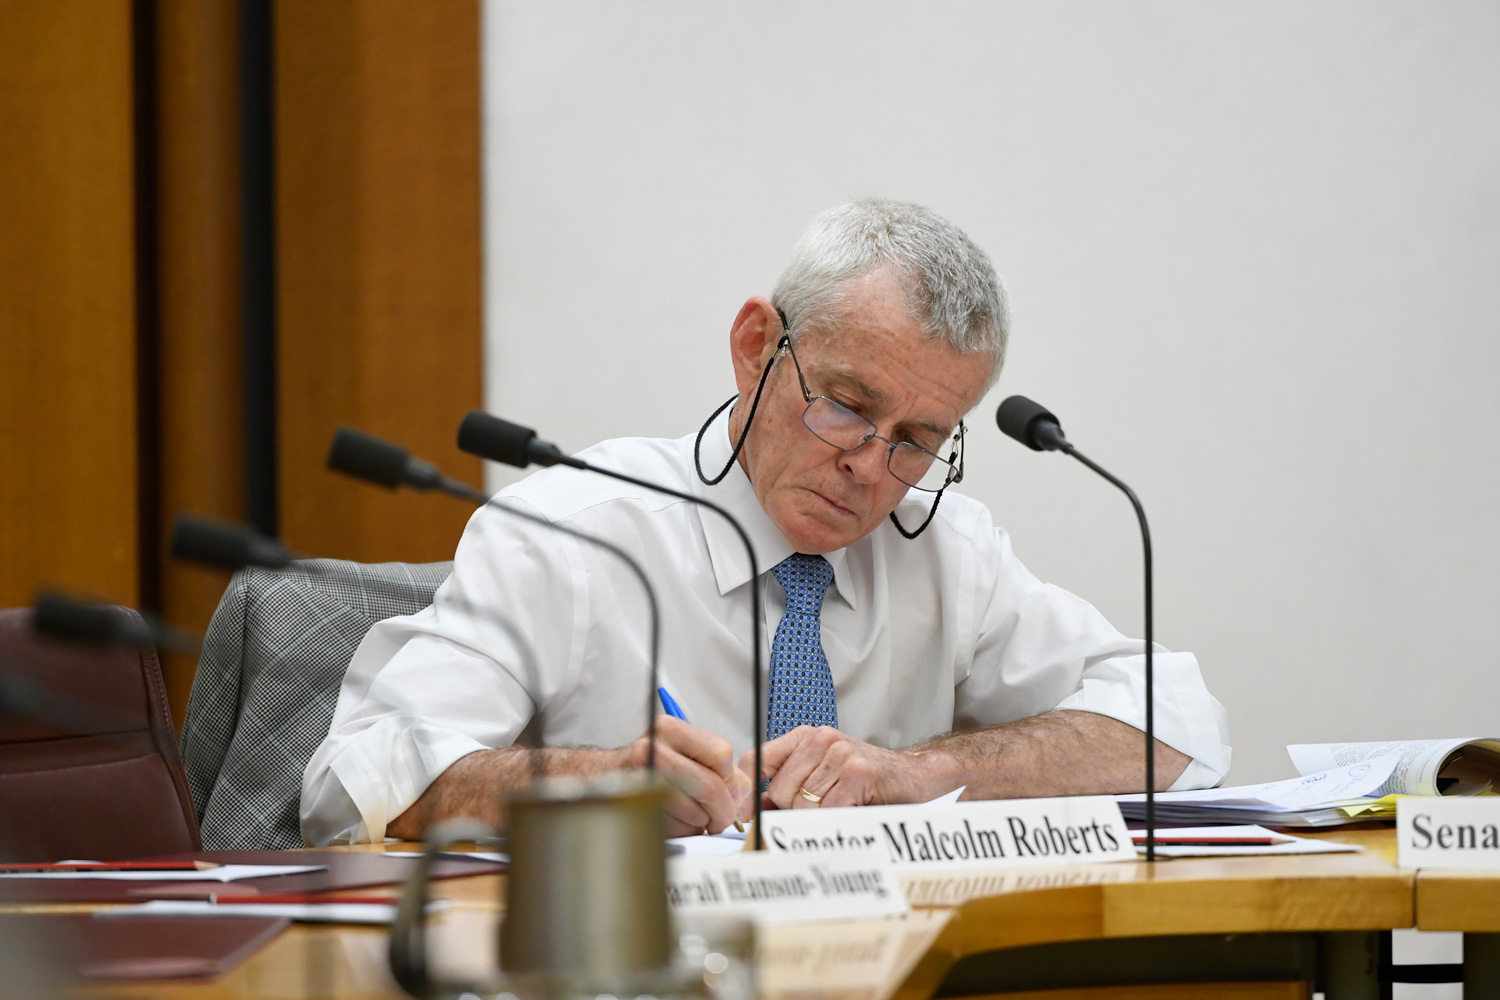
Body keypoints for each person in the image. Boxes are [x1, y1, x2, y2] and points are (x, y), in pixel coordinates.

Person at [301, 199, 1230, 845]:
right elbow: (352, 785)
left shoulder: (948, 550)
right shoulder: (572, 530)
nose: (870, 466)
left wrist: (912, 774)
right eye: (844, 405)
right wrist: (596, 786)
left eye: (916, 438)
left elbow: (1179, 722)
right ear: (756, 349)